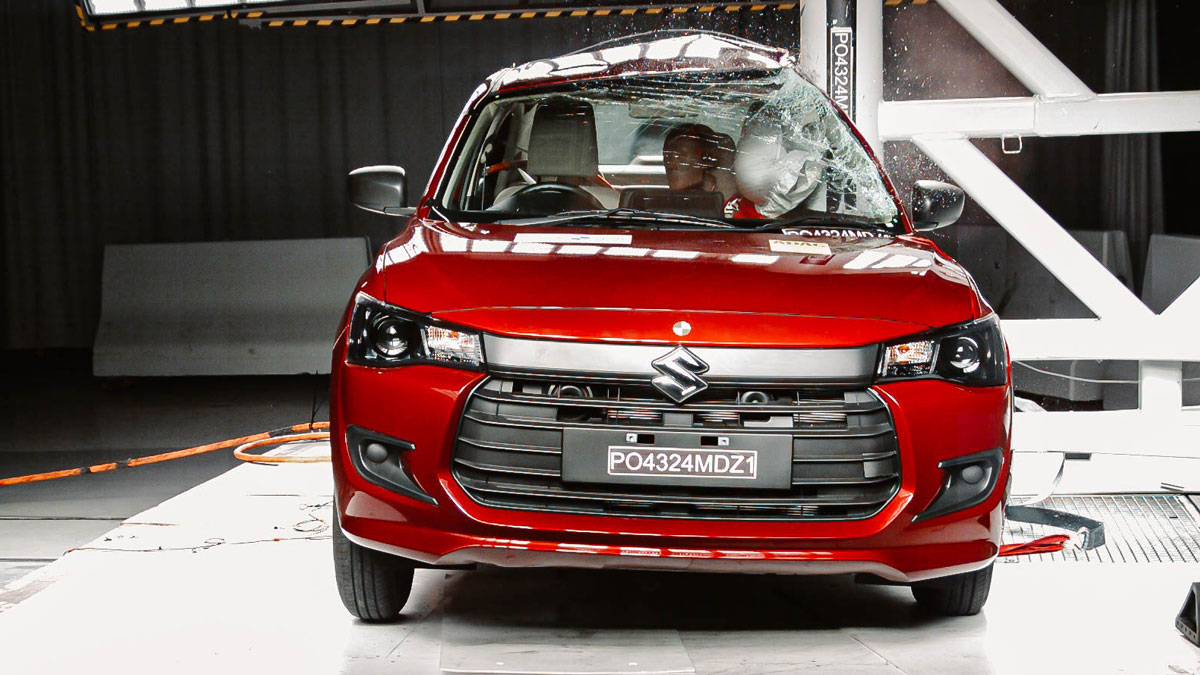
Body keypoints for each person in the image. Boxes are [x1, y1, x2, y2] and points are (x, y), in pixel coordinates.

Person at [661, 123, 720, 193]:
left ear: (705, 162)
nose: (670, 164)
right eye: (666, 155)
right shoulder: (656, 198)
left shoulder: (722, 199)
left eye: (680, 155)